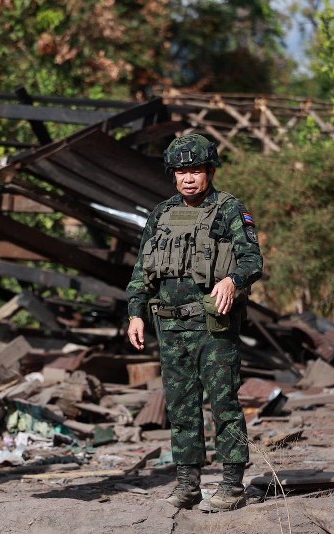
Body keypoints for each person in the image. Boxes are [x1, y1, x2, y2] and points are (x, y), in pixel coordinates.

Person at [125, 134, 262, 512]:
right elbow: (142, 270)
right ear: (172, 175)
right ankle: (188, 484)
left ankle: (232, 485)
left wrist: (233, 280)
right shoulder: (161, 214)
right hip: (169, 327)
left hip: (213, 325)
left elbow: (252, 261)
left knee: (224, 403)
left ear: (210, 171)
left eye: (196, 170)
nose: (188, 178)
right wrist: (135, 312)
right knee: (181, 406)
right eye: (181, 171)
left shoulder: (229, 209)